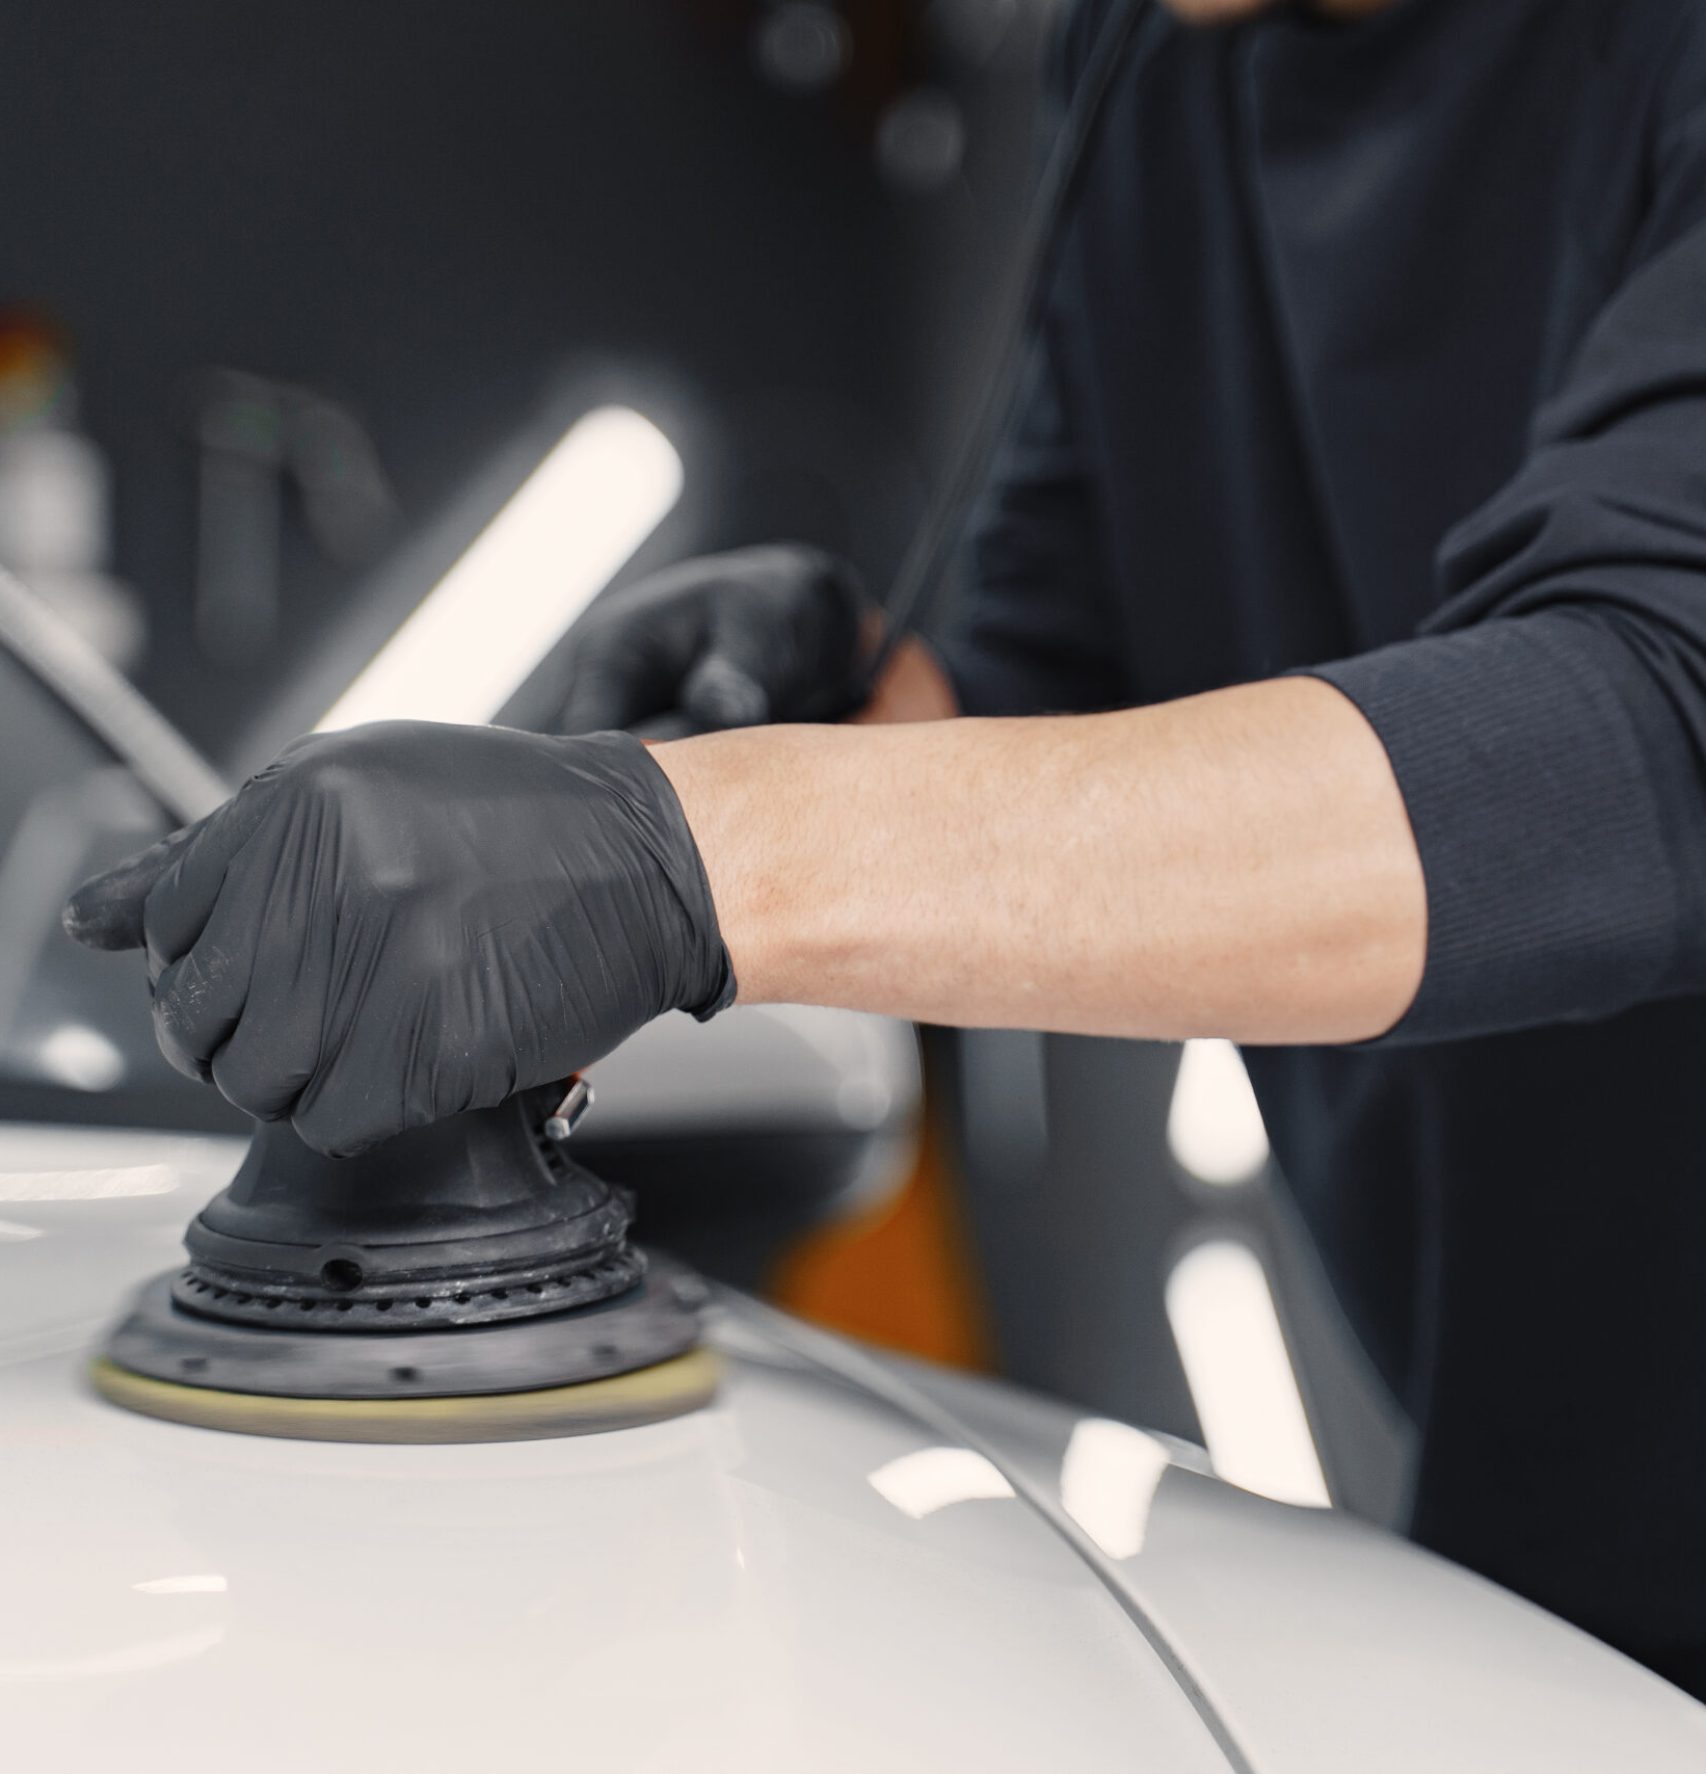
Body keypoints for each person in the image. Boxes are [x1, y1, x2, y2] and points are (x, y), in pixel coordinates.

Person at [65, 0, 1706, 1695]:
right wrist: (816, 720)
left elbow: (1653, 728)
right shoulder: (1164, 67)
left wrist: (701, 849)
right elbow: (1049, 692)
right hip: (1541, 1499)